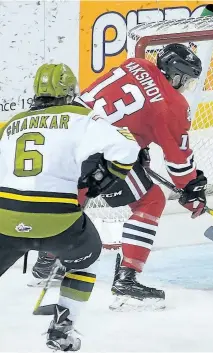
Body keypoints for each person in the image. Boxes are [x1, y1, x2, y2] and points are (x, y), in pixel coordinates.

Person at [30, 43, 209, 311]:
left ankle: (46, 260)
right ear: (177, 76)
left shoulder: (136, 65)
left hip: (66, 134)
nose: (186, 88)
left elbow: (126, 112)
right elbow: (178, 161)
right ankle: (127, 280)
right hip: (100, 151)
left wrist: (140, 147)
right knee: (151, 201)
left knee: (74, 200)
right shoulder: (172, 104)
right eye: (187, 81)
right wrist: (192, 191)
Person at [0, 63, 140, 350]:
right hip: (59, 223)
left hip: (5, 220)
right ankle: (62, 329)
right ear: (70, 91)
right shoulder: (82, 118)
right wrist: (109, 177)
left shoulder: (11, 123)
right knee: (87, 258)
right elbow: (127, 148)